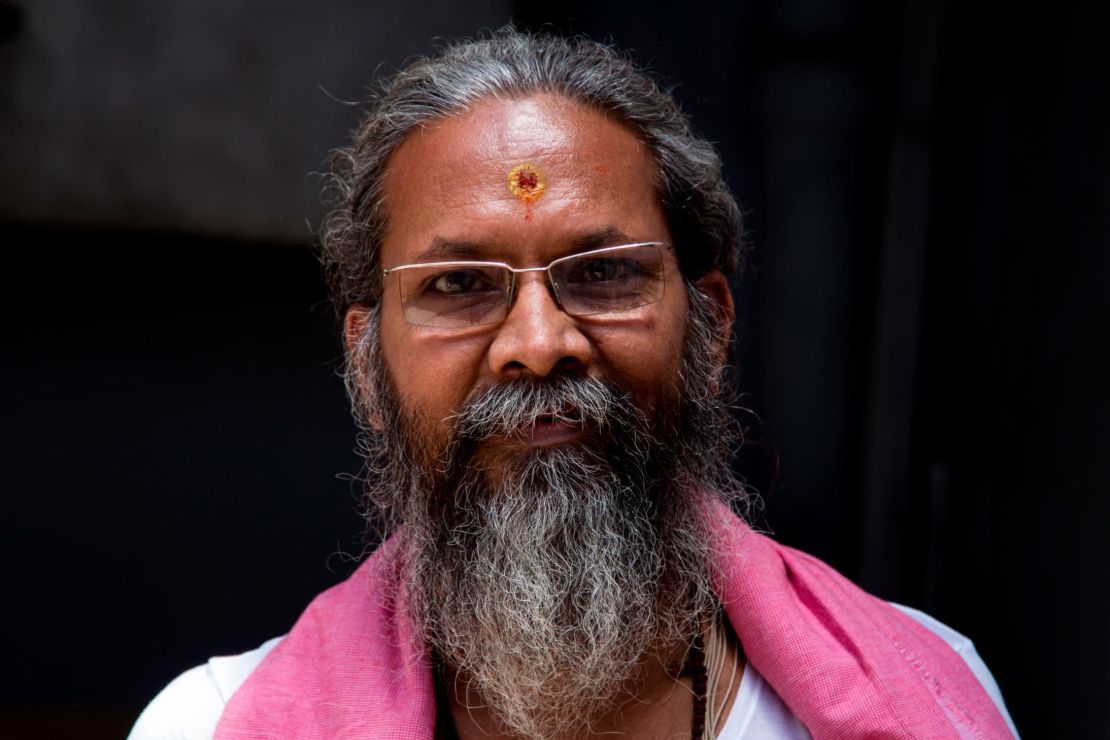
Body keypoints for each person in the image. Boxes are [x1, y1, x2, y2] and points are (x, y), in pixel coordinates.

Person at [131, 29, 1018, 739]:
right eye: (459, 286)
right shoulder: (208, 726)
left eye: (602, 275)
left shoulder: (933, 689)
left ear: (709, 329)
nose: (539, 343)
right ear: (366, 364)